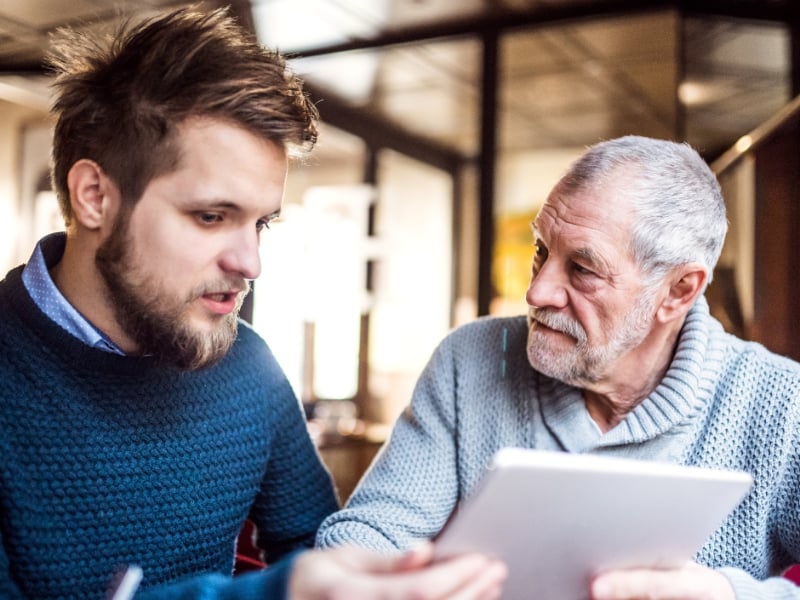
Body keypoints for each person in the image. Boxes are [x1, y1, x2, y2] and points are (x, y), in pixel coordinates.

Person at [0, 7, 507, 600]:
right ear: (95, 197)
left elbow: (319, 553)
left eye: (260, 223)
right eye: (211, 216)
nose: (250, 264)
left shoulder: (249, 366)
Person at [315, 135, 800, 599]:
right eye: (541, 251)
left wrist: (730, 595)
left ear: (677, 291)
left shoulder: (782, 404)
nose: (538, 293)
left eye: (583, 270)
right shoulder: (471, 359)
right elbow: (371, 532)